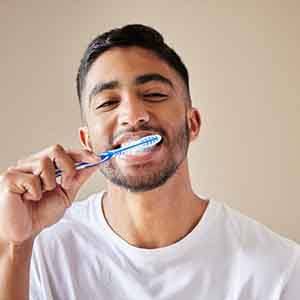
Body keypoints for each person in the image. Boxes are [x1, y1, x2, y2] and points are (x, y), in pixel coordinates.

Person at [0, 24, 299, 300]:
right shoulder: (38, 253)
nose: (133, 114)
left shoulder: (279, 270)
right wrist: (15, 246)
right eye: (108, 102)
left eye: (154, 94)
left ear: (191, 123)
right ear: (87, 140)